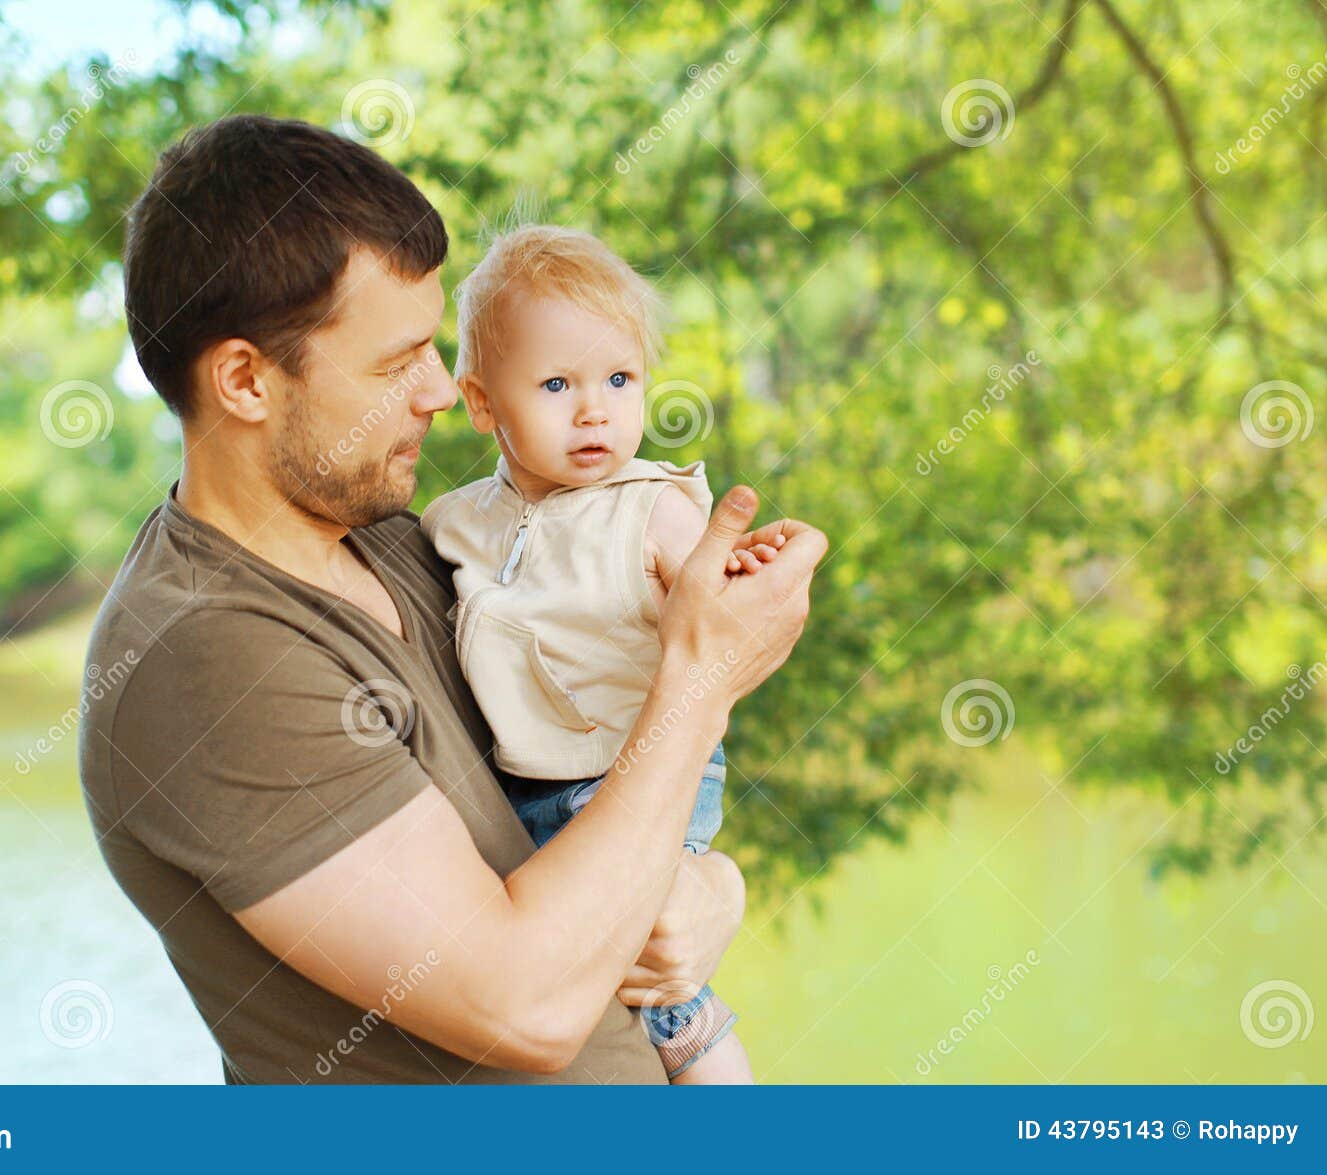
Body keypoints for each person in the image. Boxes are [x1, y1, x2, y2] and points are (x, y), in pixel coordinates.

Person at [77, 113, 827, 1083]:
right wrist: (704, 679)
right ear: (245, 381)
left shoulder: (403, 543)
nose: (439, 392)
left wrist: (711, 885)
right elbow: (526, 1003)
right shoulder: (203, 654)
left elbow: (589, 801)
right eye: (396, 363)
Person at [420, 224, 789, 1081]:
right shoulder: (457, 523)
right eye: (556, 384)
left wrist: (743, 572)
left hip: (638, 775)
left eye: (619, 379)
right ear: (482, 404)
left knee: (659, 984)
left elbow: (721, 623)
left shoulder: (652, 510)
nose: (595, 410)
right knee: (561, 969)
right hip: (527, 787)